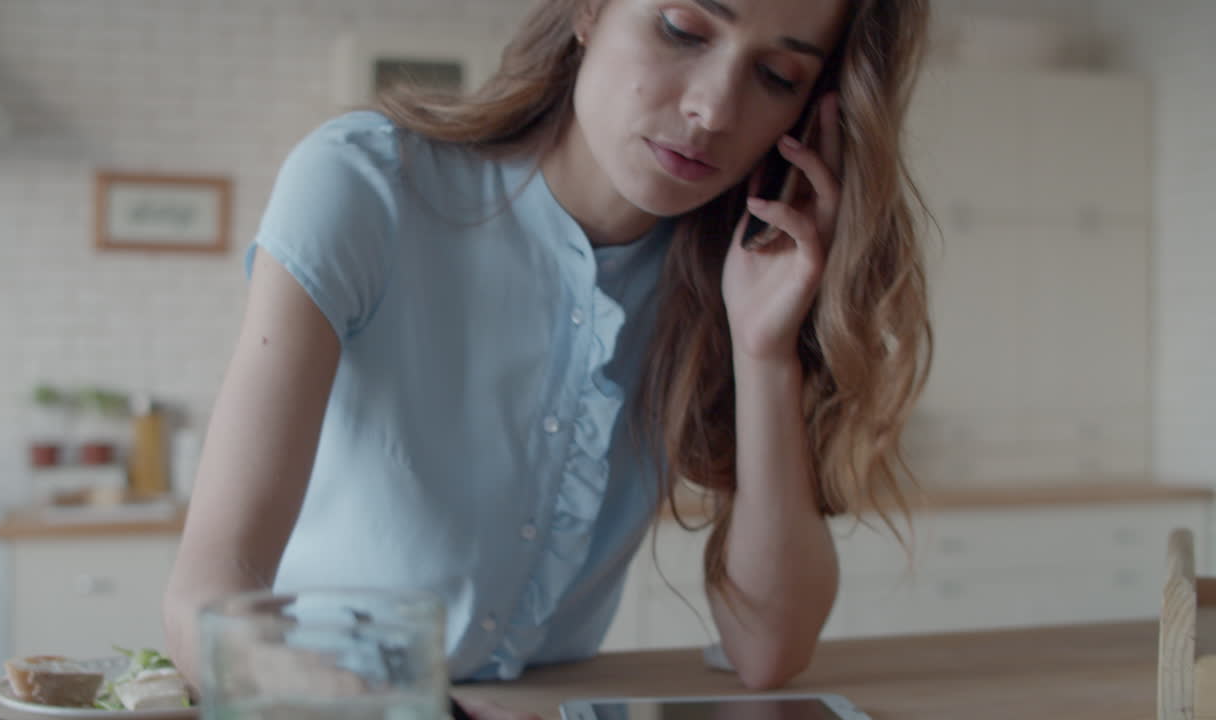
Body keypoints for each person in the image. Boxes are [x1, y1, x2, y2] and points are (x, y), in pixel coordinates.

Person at [164, 0, 932, 711]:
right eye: (683, 28)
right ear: (590, 10)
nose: (712, 110)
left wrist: (764, 353)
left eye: (776, 76)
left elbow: (768, 652)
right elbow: (206, 598)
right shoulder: (364, 183)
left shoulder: (730, 273)